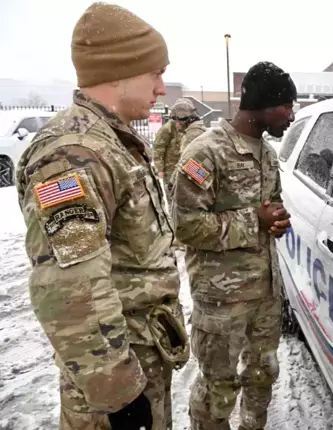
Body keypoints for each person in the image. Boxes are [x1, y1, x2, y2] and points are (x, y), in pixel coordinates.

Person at [15, 3, 189, 430]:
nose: (162, 89)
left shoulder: (110, 142)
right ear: (119, 72)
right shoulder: (75, 154)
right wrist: (119, 396)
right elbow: (69, 288)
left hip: (138, 357)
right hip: (113, 386)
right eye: (155, 74)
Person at [172, 61, 295, 430]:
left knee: (262, 375)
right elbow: (184, 226)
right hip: (222, 301)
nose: (291, 115)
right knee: (218, 389)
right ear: (264, 105)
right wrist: (252, 221)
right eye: (287, 106)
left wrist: (275, 222)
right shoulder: (205, 153)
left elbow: (268, 207)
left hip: (264, 294)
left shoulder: (267, 153)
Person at [154, 98, 193, 197]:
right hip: (171, 170)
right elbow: (158, 149)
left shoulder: (193, 127)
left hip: (189, 168)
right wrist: (160, 170)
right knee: (173, 197)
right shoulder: (168, 128)